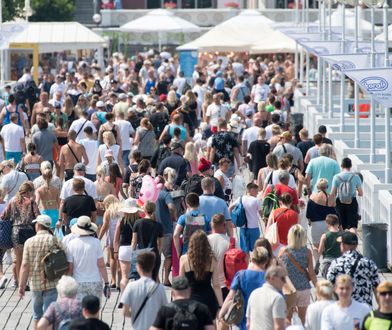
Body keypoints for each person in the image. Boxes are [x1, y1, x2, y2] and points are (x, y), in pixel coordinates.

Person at [19, 215, 60, 328]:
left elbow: (24, 265)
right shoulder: (54, 239)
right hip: (52, 282)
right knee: (49, 315)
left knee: (37, 315)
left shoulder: (29, 242)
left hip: (35, 283)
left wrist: (21, 286)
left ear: (38, 225)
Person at [219, 246, 269, 330]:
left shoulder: (241, 275)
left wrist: (221, 314)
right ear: (266, 261)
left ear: (252, 259)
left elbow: (230, 297)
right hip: (264, 322)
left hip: (243, 322)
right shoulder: (269, 278)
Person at [327, 231, 379, 306]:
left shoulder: (337, 263)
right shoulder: (369, 263)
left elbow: (329, 285)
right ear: (356, 245)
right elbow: (377, 289)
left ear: (343, 245)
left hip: (345, 308)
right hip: (365, 310)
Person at [179, 230, 223, 320]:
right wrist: (220, 306)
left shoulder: (184, 259)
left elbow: (181, 283)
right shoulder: (212, 260)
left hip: (190, 300)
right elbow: (216, 285)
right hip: (208, 299)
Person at [279, 224, 317, 324]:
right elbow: (312, 273)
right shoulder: (307, 252)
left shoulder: (283, 251)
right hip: (304, 288)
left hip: (289, 289)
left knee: (288, 317)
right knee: (303, 317)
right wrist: (317, 286)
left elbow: (278, 269)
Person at [66, 216, 110, 302]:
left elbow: (70, 268)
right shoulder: (96, 242)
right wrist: (107, 283)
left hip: (78, 282)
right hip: (95, 281)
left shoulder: (71, 244)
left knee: (80, 310)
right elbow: (101, 265)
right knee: (94, 310)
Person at [121, 251, 168, 330]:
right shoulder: (160, 288)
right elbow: (165, 312)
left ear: (138, 266)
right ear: (153, 266)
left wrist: (136, 315)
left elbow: (125, 312)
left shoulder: (131, 287)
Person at [246, 266, 287, 330]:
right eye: (283, 278)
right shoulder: (277, 298)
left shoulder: (253, 293)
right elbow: (279, 327)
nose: (285, 282)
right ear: (272, 278)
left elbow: (248, 324)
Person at [306, 179, 337, 265]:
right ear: (327, 187)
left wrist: (309, 221)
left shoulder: (312, 197)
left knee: (316, 245)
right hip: (328, 224)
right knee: (328, 244)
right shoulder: (331, 197)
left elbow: (308, 213)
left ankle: (317, 261)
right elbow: (334, 212)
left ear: (317, 187)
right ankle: (327, 261)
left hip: (316, 224)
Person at [113, 198, 141, 293]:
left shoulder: (121, 221)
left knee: (124, 276)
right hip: (137, 249)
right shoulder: (140, 221)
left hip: (124, 249)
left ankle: (123, 299)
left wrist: (115, 251)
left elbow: (116, 239)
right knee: (138, 276)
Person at [156, 168, 177, 286]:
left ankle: (157, 278)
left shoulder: (154, 193)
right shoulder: (165, 194)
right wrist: (174, 217)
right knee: (168, 255)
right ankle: (165, 279)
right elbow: (172, 207)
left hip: (155, 229)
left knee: (157, 255)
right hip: (166, 229)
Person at [131, 201, 163, 281]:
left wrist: (133, 253)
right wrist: (158, 253)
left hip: (141, 254)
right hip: (153, 253)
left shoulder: (138, 223)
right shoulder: (158, 225)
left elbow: (134, 242)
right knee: (154, 279)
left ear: (144, 210)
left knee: (140, 279)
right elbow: (160, 244)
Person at [331, 157, 363, 231]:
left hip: (339, 202)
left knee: (340, 225)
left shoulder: (336, 177)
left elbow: (332, 193)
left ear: (341, 166)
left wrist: (331, 203)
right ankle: (353, 241)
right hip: (352, 202)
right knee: (352, 226)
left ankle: (342, 240)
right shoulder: (356, 177)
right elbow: (361, 193)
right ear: (350, 166)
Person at [229, 182, 261, 253]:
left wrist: (231, 221)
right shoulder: (256, 200)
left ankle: (247, 263)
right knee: (256, 250)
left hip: (243, 228)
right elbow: (261, 214)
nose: (257, 193)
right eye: (256, 191)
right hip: (254, 228)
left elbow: (230, 208)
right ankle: (255, 263)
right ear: (251, 190)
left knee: (245, 251)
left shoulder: (240, 198)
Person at [98, 195, 122, 288]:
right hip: (121, 236)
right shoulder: (122, 210)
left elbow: (105, 226)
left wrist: (99, 238)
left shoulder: (108, 212)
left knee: (112, 258)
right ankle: (120, 281)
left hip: (112, 236)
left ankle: (113, 280)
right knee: (120, 259)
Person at [207, 214, 230, 299]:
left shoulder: (205, 240)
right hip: (227, 284)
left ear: (211, 225)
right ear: (224, 225)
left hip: (209, 284)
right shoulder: (231, 242)